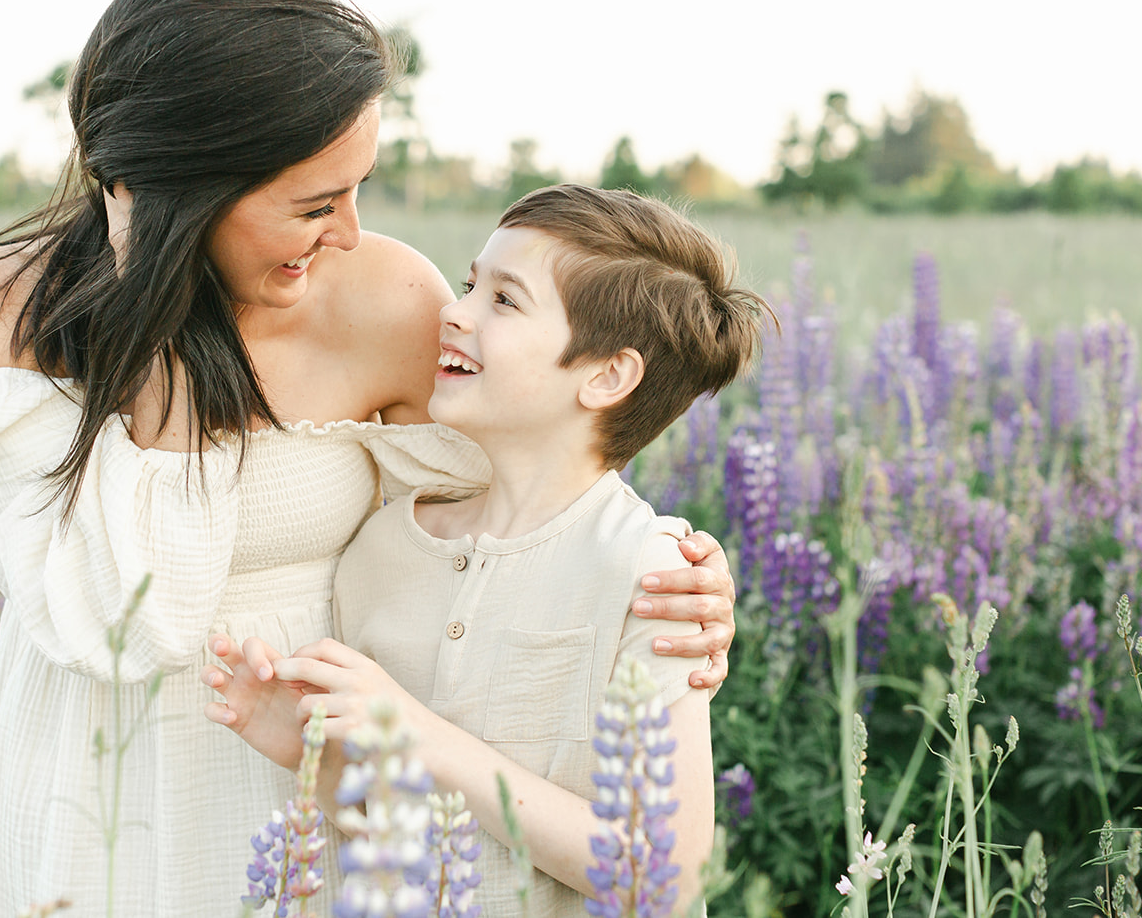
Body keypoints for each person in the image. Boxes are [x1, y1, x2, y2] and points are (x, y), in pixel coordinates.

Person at [0, 0, 736, 918]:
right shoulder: (1, 307)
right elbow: (140, 613)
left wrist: (675, 576)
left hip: (316, 759)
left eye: (357, 185)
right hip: (86, 757)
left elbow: (525, 498)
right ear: (180, 194)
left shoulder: (390, 299)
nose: (346, 229)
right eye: (313, 202)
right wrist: (156, 309)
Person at [205, 184, 769, 915]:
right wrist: (308, 754)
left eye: (504, 300)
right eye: (472, 282)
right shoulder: (382, 546)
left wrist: (415, 731)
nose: (454, 309)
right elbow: (379, 817)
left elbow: (662, 875)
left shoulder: (653, 573)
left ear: (607, 374)